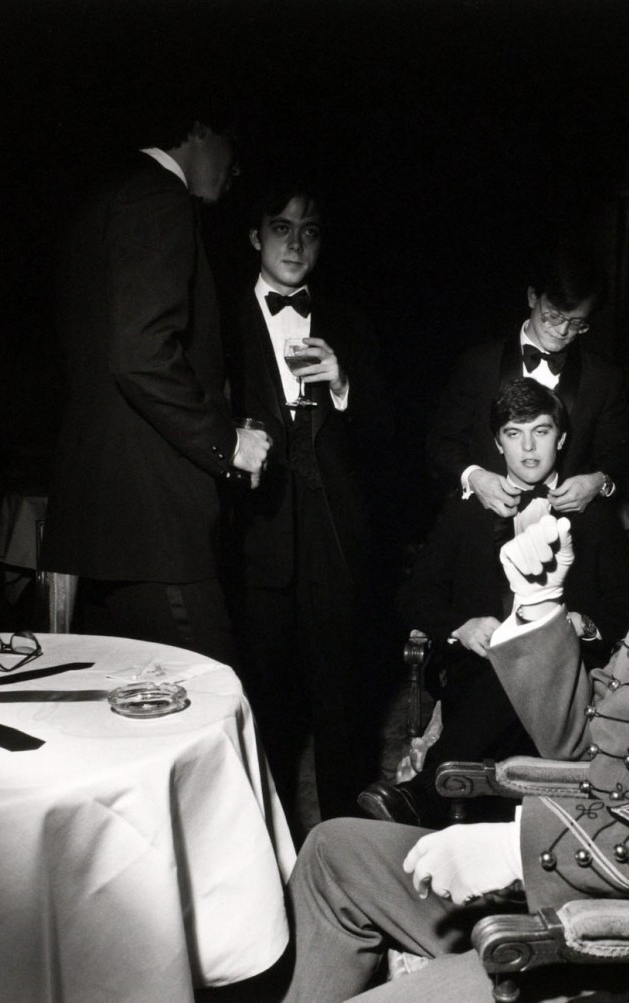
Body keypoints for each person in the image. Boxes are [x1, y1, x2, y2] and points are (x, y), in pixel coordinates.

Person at [284, 388, 629, 1003]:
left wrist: (518, 849)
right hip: (586, 883)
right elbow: (582, 745)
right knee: (333, 849)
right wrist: (541, 604)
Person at [41, 94, 269, 666]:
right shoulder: (158, 196)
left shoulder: (103, 197)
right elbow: (140, 354)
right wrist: (229, 442)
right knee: (214, 698)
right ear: (197, 129)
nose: (235, 167)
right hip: (154, 522)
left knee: (123, 713)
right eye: (231, 146)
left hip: (105, 519)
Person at [359, 379, 629, 829]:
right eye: (515, 433)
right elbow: (415, 595)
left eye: (542, 431)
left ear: (563, 438)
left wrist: (583, 625)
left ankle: (422, 794)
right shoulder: (465, 511)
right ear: (497, 443)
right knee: (509, 663)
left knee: (530, 659)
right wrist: (461, 626)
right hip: (477, 671)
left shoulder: (592, 514)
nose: (529, 447)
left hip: (565, 676)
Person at [226, 176, 393, 823]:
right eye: (281, 226)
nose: (296, 243)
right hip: (254, 542)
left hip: (336, 546)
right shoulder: (221, 315)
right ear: (253, 235)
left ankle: (344, 869)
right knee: (262, 713)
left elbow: (387, 438)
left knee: (343, 717)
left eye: (311, 229)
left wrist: (345, 384)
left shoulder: (349, 321)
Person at [427, 241, 629, 517]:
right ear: (533, 298)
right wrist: (474, 477)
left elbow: (620, 457)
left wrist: (599, 482)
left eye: (577, 323)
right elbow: (442, 443)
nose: (562, 331)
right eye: (553, 316)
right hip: (483, 524)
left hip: (570, 529)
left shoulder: (604, 378)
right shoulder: (478, 363)